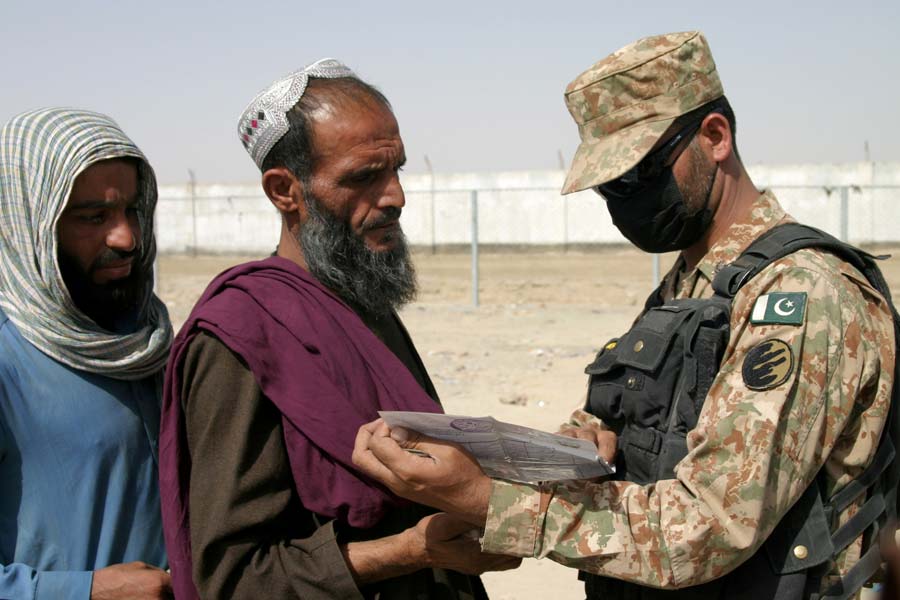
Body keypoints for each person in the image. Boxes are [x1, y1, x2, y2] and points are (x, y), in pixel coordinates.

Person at [353, 31, 897, 599]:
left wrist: (490, 501)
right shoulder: (694, 282)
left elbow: (709, 526)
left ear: (714, 137)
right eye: (608, 187)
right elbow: (645, 418)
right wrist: (576, 442)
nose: (624, 201)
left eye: (640, 174)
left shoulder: (801, 295)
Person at [158, 58, 518, 600]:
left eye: (396, 169)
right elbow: (231, 579)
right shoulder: (241, 335)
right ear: (285, 191)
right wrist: (410, 552)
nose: (395, 196)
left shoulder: (362, 302)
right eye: (363, 177)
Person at [0, 108, 174, 599]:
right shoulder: (8, 358)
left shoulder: (148, 341)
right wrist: (84, 590)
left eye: (132, 211)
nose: (127, 239)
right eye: (93, 217)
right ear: (30, 223)